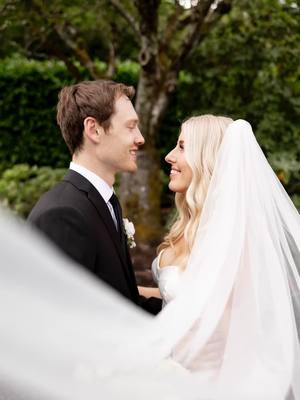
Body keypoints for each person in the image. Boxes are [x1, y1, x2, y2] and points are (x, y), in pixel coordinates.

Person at [1, 116, 299, 400]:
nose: (169, 156)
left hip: (210, 384)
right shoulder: (187, 228)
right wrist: (107, 291)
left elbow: (241, 329)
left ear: (208, 159)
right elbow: (190, 297)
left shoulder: (237, 240)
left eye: (182, 147)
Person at [28, 79, 161, 315]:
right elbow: (65, 320)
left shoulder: (105, 203)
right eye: (130, 127)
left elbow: (122, 302)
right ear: (94, 130)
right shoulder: (62, 215)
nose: (140, 138)